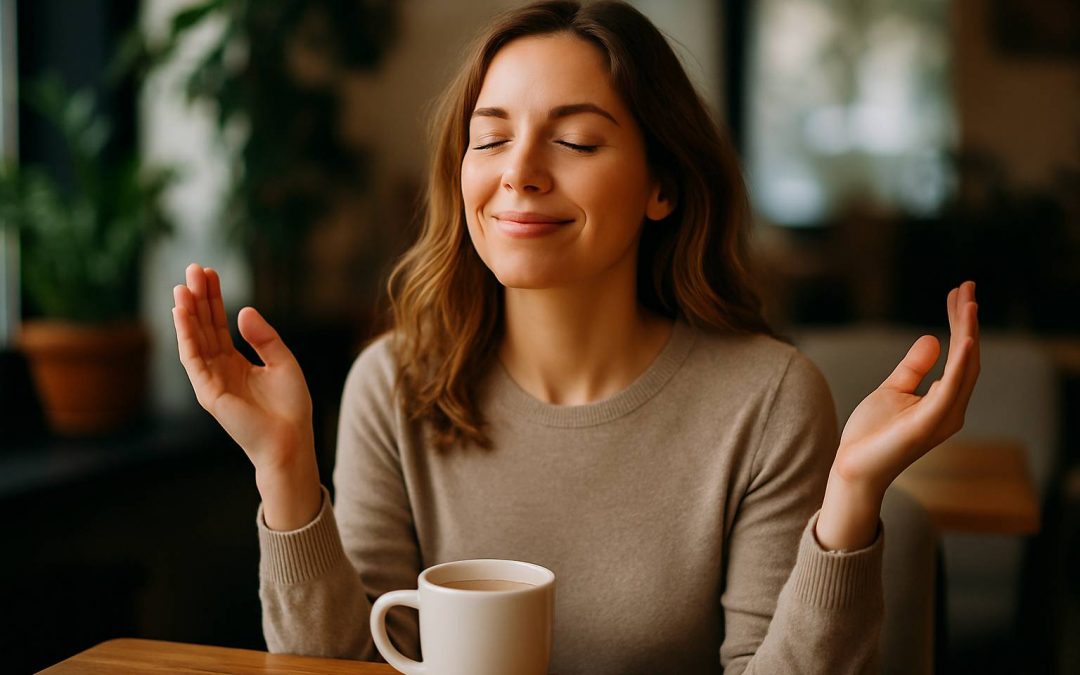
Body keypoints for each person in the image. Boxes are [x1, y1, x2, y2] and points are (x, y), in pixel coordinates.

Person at [171, 2, 980, 673]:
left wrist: (849, 499)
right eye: (489, 138)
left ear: (663, 184)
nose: (518, 170)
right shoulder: (393, 382)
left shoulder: (767, 398)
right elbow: (356, 666)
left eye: (576, 141)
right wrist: (284, 470)